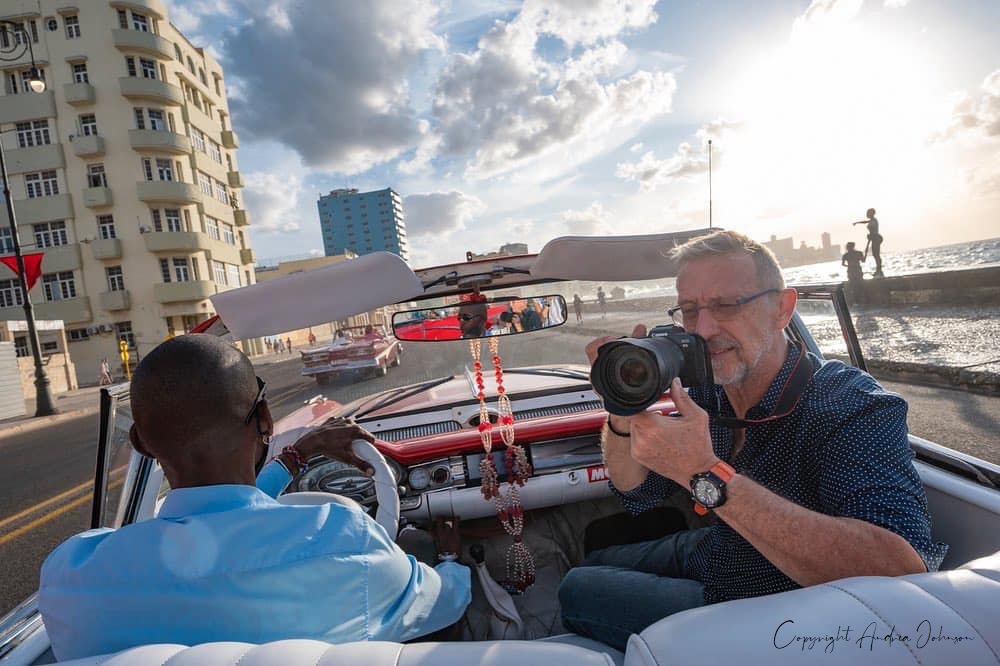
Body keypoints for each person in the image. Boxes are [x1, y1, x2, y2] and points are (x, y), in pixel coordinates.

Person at [558, 230, 945, 651]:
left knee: (576, 587)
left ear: (783, 309)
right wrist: (622, 406)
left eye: (726, 305)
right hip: (723, 547)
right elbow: (636, 490)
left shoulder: (849, 405)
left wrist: (703, 473)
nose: (703, 330)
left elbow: (903, 575)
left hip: (767, 609)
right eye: (689, 310)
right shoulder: (709, 393)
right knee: (600, 557)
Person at [38, 335, 471, 661]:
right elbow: (443, 603)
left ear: (139, 442)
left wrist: (296, 457)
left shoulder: (71, 577)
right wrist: (451, 559)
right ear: (265, 417)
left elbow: (229, 522)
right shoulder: (344, 540)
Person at [853, 207, 883, 277]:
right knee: (875, 255)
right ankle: (878, 269)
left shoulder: (874, 221)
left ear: (871, 213)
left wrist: (870, 237)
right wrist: (857, 223)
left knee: (876, 255)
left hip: (876, 238)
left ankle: (879, 270)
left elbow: (873, 231)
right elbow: (865, 222)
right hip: (873, 238)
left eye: (868, 213)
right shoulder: (872, 220)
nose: (867, 214)